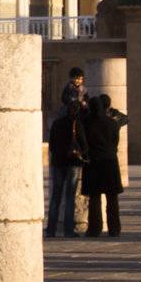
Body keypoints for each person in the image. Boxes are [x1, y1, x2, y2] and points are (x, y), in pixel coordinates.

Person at [82, 94, 123, 237]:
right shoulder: (112, 123)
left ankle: (94, 228)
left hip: (94, 163)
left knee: (94, 198)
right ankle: (114, 228)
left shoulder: (86, 123)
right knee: (112, 198)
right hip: (110, 162)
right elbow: (115, 142)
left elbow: (83, 143)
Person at [46, 100, 87, 238]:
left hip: (58, 162)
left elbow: (51, 146)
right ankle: (68, 230)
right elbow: (84, 145)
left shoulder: (57, 124)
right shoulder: (77, 124)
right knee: (70, 198)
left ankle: (50, 230)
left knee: (55, 197)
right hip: (72, 163)